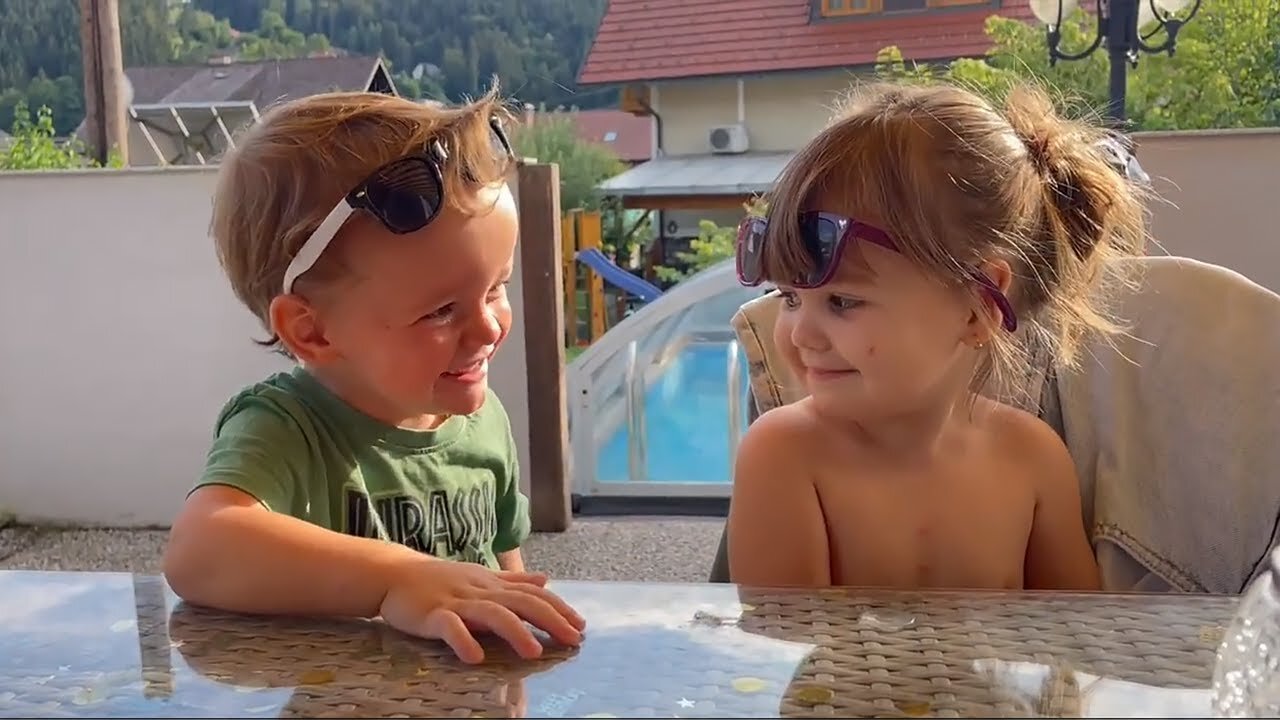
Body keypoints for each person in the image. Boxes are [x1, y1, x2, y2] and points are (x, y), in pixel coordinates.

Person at [162, 87, 586, 664]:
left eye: (495, 288)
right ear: (312, 331)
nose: (488, 329)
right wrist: (397, 579)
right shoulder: (288, 429)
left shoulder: (484, 422)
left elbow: (505, 571)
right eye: (441, 310)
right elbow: (199, 550)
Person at [727, 81, 1149, 591]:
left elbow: (1077, 647)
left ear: (976, 308)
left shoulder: (1033, 460)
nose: (800, 334)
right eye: (790, 299)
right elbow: (791, 655)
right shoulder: (784, 456)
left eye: (842, 301)